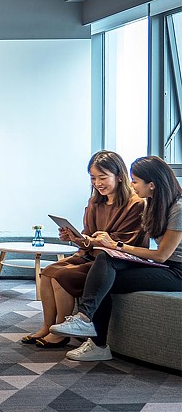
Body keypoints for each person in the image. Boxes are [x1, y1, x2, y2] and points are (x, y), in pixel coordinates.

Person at [50, 155, 182, 361]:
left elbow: (161, 255)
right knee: (104, 269)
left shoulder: (178, 208)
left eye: (135, 181)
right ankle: (89, 329)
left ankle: (93, 336)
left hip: (177, 272)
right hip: (165, 266)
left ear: (152, 184)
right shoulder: (155, 203)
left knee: (104, 273)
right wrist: (106, 246)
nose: (132, 185)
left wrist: (116, 245)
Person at [23, 151, 146, 348]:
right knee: (47, 273)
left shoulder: (136, 204)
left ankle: (60, 332)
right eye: (93, 178)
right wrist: (74, 238)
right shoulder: (95, 202)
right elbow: (87, 237)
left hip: (114, 260)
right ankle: (47, 326)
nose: (97, 183)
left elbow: (121, 243)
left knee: (61, 276)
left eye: (102, 177)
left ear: (119, 176)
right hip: (92, 255)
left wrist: (88, 241)